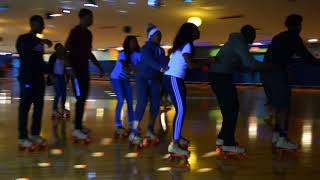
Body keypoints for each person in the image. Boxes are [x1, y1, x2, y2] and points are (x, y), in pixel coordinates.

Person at [208, 25, 273, 154]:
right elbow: (250, 63)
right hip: (221, 76)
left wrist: (253, 67)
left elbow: (241, 66)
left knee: (230, 108)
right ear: (247, 33)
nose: (254, 37)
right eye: (253, 34)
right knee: (231, 109)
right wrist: (269, 67)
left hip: (220, 76)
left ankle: (222, 138)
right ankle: (228, 143)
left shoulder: (236, 43)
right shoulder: (239, 42)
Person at [260, 14, 318, 151]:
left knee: (278, 107)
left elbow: (273, 56)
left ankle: (276, 136)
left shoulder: (279, 37)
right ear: (298, 26)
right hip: (277, 73)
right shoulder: (293, 37)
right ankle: (282, 139)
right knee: (284, 108)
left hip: (266, 74)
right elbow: (306, 57)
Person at [163, 23, 212, 156]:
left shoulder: (183, 45)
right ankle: (174, 143)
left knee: (181, 109)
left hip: (173, 78)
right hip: (174, 78)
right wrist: (207, 62)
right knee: (181, 110)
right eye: (196, 30)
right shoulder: (187, 45)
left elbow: (189, 60)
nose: (199, 31)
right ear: (190, 33)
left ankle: (177, 136)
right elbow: (191, 64)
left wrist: (205, 61)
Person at [65, 8, 104, 141]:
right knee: (80, 98)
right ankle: (76, 129)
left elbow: (88, 53)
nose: (92, 20)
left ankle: (79, 125)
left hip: (84, 71)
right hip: (75, 73)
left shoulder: (88, 34)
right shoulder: (74, 32)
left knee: (83, 98)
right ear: (83, 17)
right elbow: (66, 51)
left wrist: (99, 67)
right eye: (90, 17)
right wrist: (70, 69)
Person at [128, 23, 169, 146]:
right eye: (157, 35)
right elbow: (150, 61)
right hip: (142, 79)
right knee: (141, 105)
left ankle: (150, 130)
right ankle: (133, 132)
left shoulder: (161, 50)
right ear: (150, 36)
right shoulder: (145, 48)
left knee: (155, 106)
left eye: (160, 35)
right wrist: (161, 68)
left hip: (155, 80)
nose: (159, 37)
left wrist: (167, 67)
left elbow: (163, 62)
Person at [16, 15, 52, 149]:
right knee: (25, 107)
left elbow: (39, 61)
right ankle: (22, 137)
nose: (43, 27)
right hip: (27, 79)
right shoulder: (23, 38)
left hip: (38, 80)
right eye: (41, 24)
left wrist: (50, 71)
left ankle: (35, 134)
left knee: (38, 108)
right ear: (34, 24)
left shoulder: (38, 41)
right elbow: (23, 50)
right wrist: (40, 43)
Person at [110, 36, 140, 137]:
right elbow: (124, 65)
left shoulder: (137, 54)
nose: (133, 44)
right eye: (131, 42)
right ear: (127, 44)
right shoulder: (122, 54)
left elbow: (142, 65)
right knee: (121, 100)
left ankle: (131, 123)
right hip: (116, 78)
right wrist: (133, 70)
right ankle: (118, 125)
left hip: (125, 79)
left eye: (134, 42)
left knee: (130, 101)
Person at [48, 43, 70, 117]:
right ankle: (54, 109)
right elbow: (50, 67)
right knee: (58, 93)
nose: (60, 49)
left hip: (62, 76)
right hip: (55, 77)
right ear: (56, 49)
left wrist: (67, 78)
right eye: (59, 48)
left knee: (64, 93)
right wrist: (51, 77)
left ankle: (63, 108)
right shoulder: (53, 56)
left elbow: (66, 68)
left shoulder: (64, 56)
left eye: (61, 47)